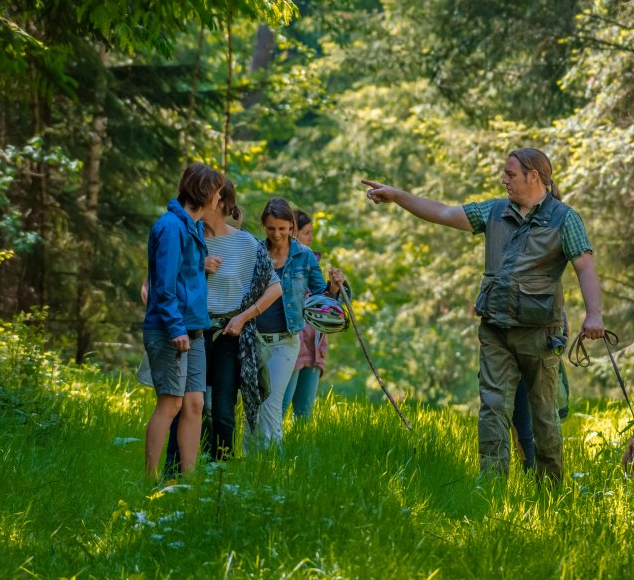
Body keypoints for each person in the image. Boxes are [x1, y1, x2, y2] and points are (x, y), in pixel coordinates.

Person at [362, 148, 604, 480]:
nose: (504, 179)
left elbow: (585, 267)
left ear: (534, 176)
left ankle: (550, 492)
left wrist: (594, 316)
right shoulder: (493, 211)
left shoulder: (565, 218)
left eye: (510, 174)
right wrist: (398, 196)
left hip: (540, 334)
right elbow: (444, 213)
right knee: (492, 410)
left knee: (544, 414)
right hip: (496, 330)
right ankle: (490, 489)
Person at [142, 164, 226, 477]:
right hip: (170, 330)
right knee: (170, 404)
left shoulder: (190, 227)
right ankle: (149, 483)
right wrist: (175, 327)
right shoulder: (171, 227)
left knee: (194, 404)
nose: (219, 199)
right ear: (204, 193)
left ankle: (188, 483)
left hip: (195, 329)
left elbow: (183, 274)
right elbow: (162, 285)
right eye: (217, 192)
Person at [201, 182, 283, 462]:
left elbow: (275, 287)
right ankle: (191, 463)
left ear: (221, 203)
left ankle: (221, 468)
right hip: (194, 331)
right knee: (195, 405)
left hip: (229, 333)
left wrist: (243, 317)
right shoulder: (190, 238)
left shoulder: (246, 243)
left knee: (223, 408)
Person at [251, 198, 336, 447]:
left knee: (272, 402)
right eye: (271, 228)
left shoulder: (304, 256)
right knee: (253, 403)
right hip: (255, 338)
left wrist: (334, 287)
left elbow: (321, 296)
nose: (276, 234)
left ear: (291, 227)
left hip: (286, 340)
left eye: (282, 228)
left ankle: (272, 463)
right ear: (264, 227)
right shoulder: (256, 251)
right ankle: (249, 461)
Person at [284, 210, 337, 422]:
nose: (311, 238)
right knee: (279, 405)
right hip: (292, 344)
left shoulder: (312, 263)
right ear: (293, 232)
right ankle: (269, 452)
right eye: (307, 232)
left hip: (314, 347)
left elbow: (322, 301)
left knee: (304, 414)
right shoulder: (281, 263)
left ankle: (301, 453)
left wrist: (333, 288)